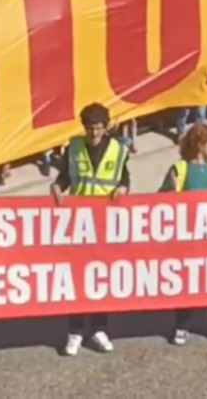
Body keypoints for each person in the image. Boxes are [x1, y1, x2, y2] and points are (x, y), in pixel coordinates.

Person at [52, 103, 131, 356]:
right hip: (79, 223)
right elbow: (65, 176)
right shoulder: (74, 147)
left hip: (106, 222)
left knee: (102, 277)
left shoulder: (119, 149)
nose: (94, 132)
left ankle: (98, 328)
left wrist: (123, 188)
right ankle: (75, 331)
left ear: (106, 127)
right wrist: (57, 186)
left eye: (98, 127)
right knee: (77, 278)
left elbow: (124, 177)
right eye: (90, 128)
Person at [158, 123, 207, 346]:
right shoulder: (180, 169)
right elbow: (162, 197)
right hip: (188, 237)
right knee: (187, 282)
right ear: (200, 144)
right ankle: (182, 325)